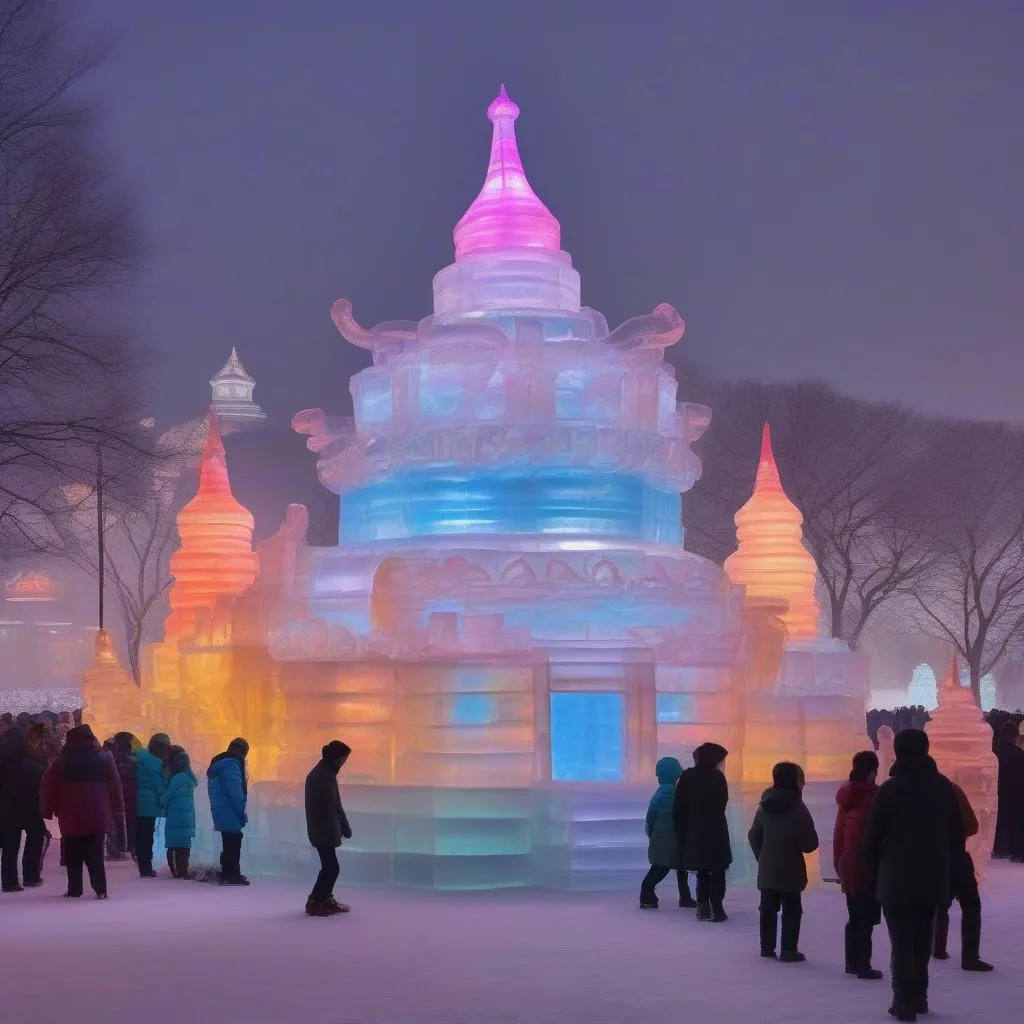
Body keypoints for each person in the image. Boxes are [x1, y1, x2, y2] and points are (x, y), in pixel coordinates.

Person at [862, 728, 964, 1022]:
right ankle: (920, 995)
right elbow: (956, 835)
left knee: (901, 940)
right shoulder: (942, 787)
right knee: (921, 938)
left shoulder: (890, 789)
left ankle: (903, 998)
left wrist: (869, 872)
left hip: (896, 875)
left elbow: (872, 837)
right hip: (933, 874)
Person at [40, 724, 125, 899]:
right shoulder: (105, 758)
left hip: (70, 815)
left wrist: (48, 810)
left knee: (73, 854)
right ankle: (100, 889)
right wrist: (118, 809)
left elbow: (48, 785)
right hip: (97, 814)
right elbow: (115, 785)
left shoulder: (61, 762)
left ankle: (75, 889)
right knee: (95, 855)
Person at [748, 761, 819, 962]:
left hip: (768, 866)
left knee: (768, 907)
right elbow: (810, 844)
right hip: (791, 868)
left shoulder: (764, 806)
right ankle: (788, 949)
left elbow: (754, 835)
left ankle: (766, 947)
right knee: (792, 908)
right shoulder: (799, 808)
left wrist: (762, 856)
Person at [933, 781, 993, 972]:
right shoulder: (953, 790)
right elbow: (971, 826)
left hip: (934, 857)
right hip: (957, 856)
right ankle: (970, 957)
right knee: (971, 905)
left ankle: (938, 948)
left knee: (941, 903)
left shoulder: (912, 791)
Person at [833, 750, 883, 979]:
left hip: (849, 863)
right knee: (866, 918)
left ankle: (851, 962)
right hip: (869, 865)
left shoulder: (847, 795)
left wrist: (839, 864)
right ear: (873, 771)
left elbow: (838, 834)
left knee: (855, 916)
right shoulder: (875, 796)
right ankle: (862, 965)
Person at [673, 741, 731, 922]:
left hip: (694, 830)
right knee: (717, 870)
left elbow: (678, 808)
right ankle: (717, 908)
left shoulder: (687, 777)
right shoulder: (718, 777)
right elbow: (723, 803)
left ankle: (702, 907)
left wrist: (682, 831)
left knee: (702, 871)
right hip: (716, 830)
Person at [304, 740, 352, 916]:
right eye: (344, 759)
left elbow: (333, 806)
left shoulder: (323, 774)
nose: (344, 763)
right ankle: (317, 900)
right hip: (323, 830)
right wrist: (343, 828)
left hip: (322, 829)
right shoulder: (323, 776)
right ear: (336, 758)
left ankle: (323, 898)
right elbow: (333, 807)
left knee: (330, 867)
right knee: (331, 868)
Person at [640, 756, 695, 910]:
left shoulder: (661, 793)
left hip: (661, 836)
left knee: (665, 866)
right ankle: (647, 893)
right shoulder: (674, 792)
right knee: (666, 867)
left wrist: (651, 832)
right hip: (673, 836)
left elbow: (651, 816)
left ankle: (650, 895)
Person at [0, 725, 48, 891]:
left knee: (10, 846)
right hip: (31, 808)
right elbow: (41, 788)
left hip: (7, 810)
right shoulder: (32, 764)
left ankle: (9, 882)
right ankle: (31, 876)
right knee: (35, 839)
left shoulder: (3, 763)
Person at [208, 737, 249, 885]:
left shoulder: (220, 764)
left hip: (221, 809)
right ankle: (233, 875)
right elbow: (235, 791)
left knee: (229, 840)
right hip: (229, 809)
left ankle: (227, 872)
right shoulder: (232, 764)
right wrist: (241, 811)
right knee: (234, 840)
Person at [160, 747, 197, 879]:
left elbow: (166, 798)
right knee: (184, 846)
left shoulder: (176, 779)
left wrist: (160, 800)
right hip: (188, 819)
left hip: (175, 818)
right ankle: (183, 870)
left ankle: (177, 873)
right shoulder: (190, 779)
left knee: (173, 846)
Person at [135, 733, 170, 878]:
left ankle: (142, 866)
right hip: (149, 806)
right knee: (147, 838)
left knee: (140, 837)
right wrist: (165, 802)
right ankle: (146, 869)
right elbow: (159, 786)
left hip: (137, 804)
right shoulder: (156, 764)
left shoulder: (139, 760)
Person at [994, 720, 1024, 862]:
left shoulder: (994, 754)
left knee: (1000, 820)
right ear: (1015, 737)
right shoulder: (1019, 755)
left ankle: (1000, 847)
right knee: (1017, 821)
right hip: (1017, 793)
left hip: (998, 791)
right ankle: (1016, 850)